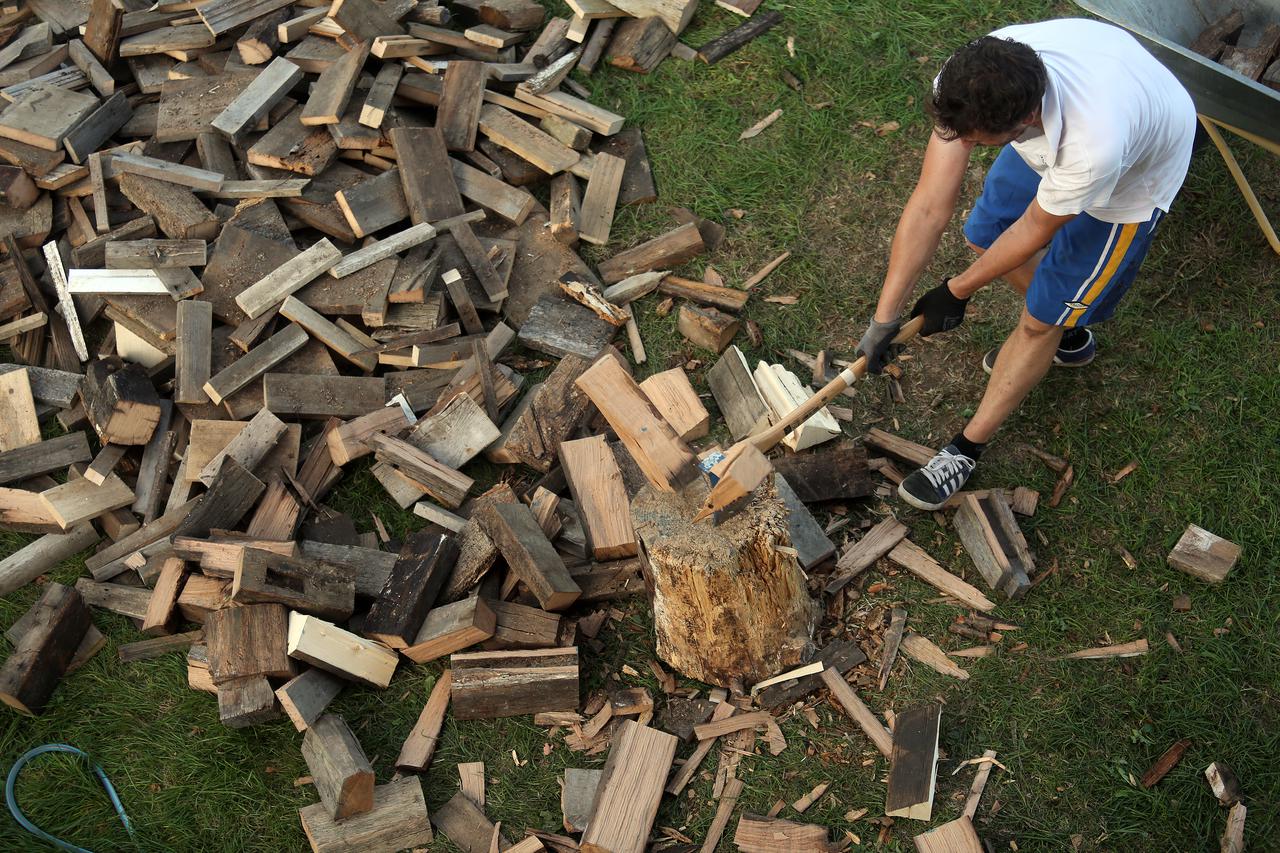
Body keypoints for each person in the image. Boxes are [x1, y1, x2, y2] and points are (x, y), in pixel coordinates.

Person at [856, 18, 1196, 511]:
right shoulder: (968, 80)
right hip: (1088, 107)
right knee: (984, 236)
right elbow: (931, 203)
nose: (966, 147)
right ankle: (1070, 337)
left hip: (1131, 182)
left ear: (1027, 119)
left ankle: (966, 447)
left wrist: (956, 291)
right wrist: (885, 316)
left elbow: (1036, 228)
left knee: (1040, 322)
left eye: (978, 143)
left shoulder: (1092, 146)